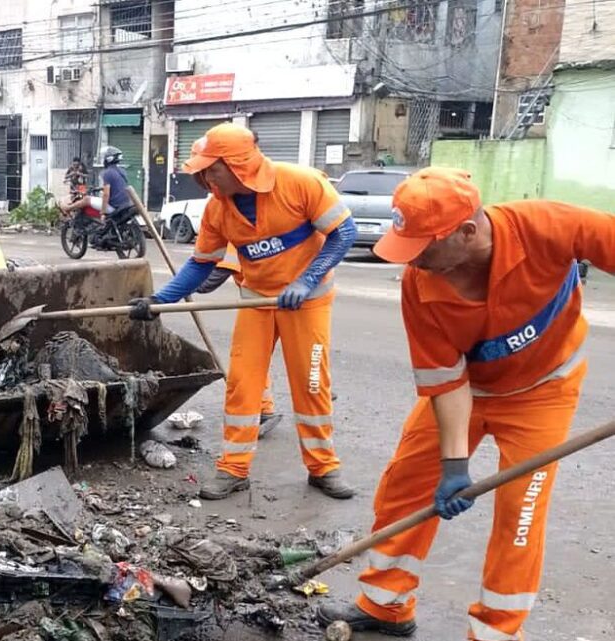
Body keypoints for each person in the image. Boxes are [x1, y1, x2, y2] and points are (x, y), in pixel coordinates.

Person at [315, 168, 614, 640]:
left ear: (466, 232)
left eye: (422, 246)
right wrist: (454, 464)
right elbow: (446, 381)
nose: (411, 261)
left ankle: (495, 631)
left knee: (521, 512)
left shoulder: (550, 226)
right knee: (406, 486)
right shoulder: (420, 284)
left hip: (544, 390)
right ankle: (386, 605)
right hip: (468, 392)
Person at [129, 124, 357, 501]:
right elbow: (202, 264)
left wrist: (306, 280)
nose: (201, 177)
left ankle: (323, 468)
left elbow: (343, 233)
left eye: (209, 169)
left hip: (309, 300)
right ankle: (234, 469)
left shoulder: (300, 184)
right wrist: (159, 302)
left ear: (239, 166)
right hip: (256, 299)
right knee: (242, 385)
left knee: (311, 385)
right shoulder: (218, 209)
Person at [195, 244, 284, 438]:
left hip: (271, 302)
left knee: (249, 359)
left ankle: (315, 391)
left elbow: (209, 282)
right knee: (257, 359)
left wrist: (188, 281)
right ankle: (265, 409)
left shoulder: (232, 236)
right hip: (270, 298)